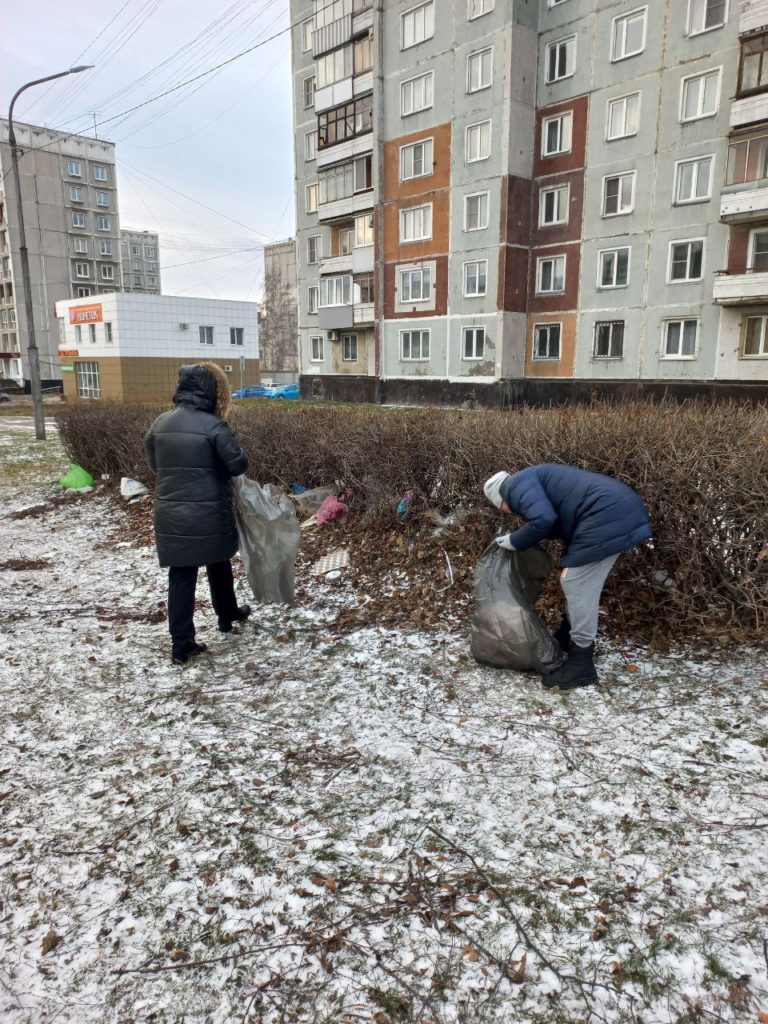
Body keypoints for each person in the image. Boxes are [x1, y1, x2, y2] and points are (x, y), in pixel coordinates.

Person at [483, 465, 651, 690]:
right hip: (611, 512)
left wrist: (515, 540)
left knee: (575, 581)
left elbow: (543, 520)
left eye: (499, 506)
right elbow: (559, 516)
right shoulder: (526, 481)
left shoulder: (515, 487)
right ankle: (567, 636)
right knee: (576, 579)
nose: (504, 511)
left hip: (607, 515)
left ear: (500, 496)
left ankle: (582, 663)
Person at [145, 363, 251, 665]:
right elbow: (238, 464)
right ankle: (226, 614)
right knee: (219, 562)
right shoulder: (213, 425)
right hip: (209, 511)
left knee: (182, 575)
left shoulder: (160, 423)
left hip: (171, 513)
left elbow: (156, 466)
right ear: (211, 390)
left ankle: (182, 644)